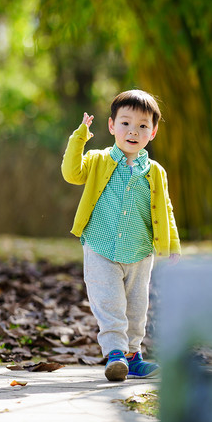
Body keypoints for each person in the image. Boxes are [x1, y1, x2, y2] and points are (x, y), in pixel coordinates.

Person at [61, 89, 180, 381]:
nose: (133, 131)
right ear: (112, 126)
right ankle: (115, 353)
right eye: (125, 123)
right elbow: (71, 173)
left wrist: (172, 245)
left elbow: (165, 209)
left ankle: (133, 355)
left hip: (140, 250)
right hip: (101, 246)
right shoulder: (98, 160)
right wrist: (79, 137)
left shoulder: (155, 171)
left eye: (142, 125)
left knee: (137, 307)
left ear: (152, 132)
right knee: (109, 301)